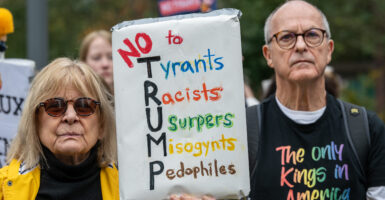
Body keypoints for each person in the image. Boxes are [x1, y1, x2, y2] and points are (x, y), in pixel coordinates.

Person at [247, 0, 385, 199]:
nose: (301, 46)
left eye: (312, 35)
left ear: (329, 49)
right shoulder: (243, 131)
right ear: (268, 55)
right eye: (286, 37)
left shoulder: (367, 129)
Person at [0, 58, 118, 199]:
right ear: (35, 122)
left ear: (102, 125)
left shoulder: (131, 188)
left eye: (84, 106)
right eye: (55, 106)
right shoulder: (3, 189)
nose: (70, 116)